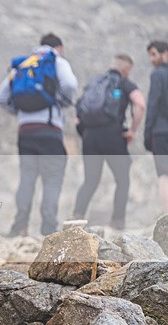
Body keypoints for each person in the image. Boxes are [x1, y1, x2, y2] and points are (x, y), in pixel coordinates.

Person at [0, 33, 78, 236]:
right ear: (58, 47)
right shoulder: (56, 61)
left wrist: (21, 113)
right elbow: (70, 84)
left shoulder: (25, 63)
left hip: (25, 131)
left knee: (27, 177)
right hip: (50, 129)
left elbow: (1, 97)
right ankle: (48, 229)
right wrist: (61, 102)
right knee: (52, 177)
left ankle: (19, 226)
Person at [72, 54, 145, 228]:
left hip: (89, 137)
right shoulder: (124, 83)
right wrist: (133, 130)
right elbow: (140, 104)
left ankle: (76, 218)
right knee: (122, 179)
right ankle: (118, 222)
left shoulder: (94, 83)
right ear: (126, 69)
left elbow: (77, 116)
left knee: (90, 179)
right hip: (112, 135)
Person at [144, 40, 168, 213]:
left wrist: (147, 132)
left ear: (164, 53)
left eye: (154, 54)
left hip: (160, 131)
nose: (151, 59)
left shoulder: (157, 74)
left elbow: (152, 104)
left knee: (164, 175)